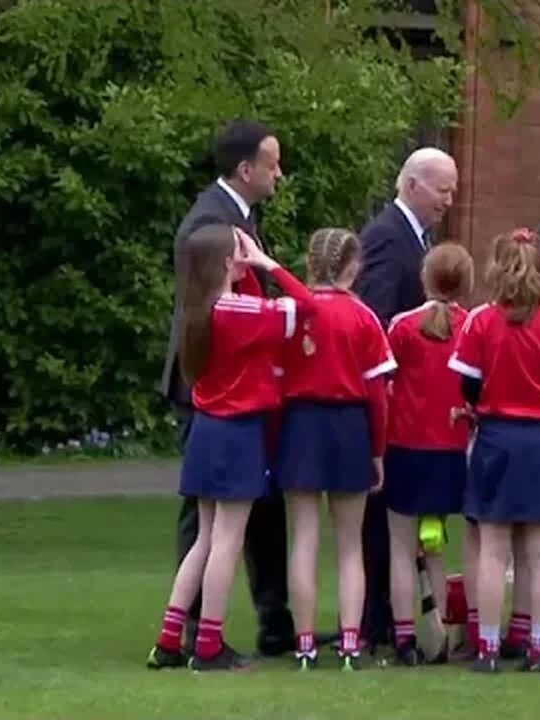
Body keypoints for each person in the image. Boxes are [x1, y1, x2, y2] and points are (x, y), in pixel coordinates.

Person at [157, 119, 295, 657]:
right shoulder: (211, 225)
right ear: (245, 169)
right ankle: (198, 630)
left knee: (248, 510)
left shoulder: (235, 216)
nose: (278, 173)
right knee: (211, 516)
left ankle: (265, 619)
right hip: (219, 390)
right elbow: (212, 309)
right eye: (272, 163)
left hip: (225, 386)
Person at [146, 224, 308, 672]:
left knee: (205, 537)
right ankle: (210, 643)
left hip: (206, 429)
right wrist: (266, 262)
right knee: (227, 541)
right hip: (239, 432)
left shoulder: (199, 309)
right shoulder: (244, 311)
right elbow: (306, 307)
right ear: (227, 262)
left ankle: (169, 638)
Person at [448, 228, 540, 673]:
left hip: (496, 438)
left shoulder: (481, 321)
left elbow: (467, 383)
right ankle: (537, 648)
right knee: (539, 550)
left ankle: (488, 648)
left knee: (492, 549)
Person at [276, 228, 397, 671]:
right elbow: (378, 394)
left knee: (303, 539)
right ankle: (350, 641)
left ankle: (304, 643)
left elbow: (275, 382)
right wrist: (378, 450)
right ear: (353, 267)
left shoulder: (291, 314)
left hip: (299, 426)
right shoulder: (363, 317)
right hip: (350, 427)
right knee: (350, 544)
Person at [355, 147, 459, 651]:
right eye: (443, 189)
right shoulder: (384, 239)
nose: (450, 199)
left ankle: (401, 630)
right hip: (402, 419)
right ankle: (380, 622)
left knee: (413, 538)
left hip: (415, 432)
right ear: (413, 184)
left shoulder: (416, 238)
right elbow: (373, 321)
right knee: (396, 535)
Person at [383, 243, 476, 666]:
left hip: (405, 446)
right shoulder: (472, 325)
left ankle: (406, 638)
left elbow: (386, 385)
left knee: (402, 548)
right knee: (438, 545)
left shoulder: (403, 326)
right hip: (452, 449)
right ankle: (446, 628)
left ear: (425, 278)